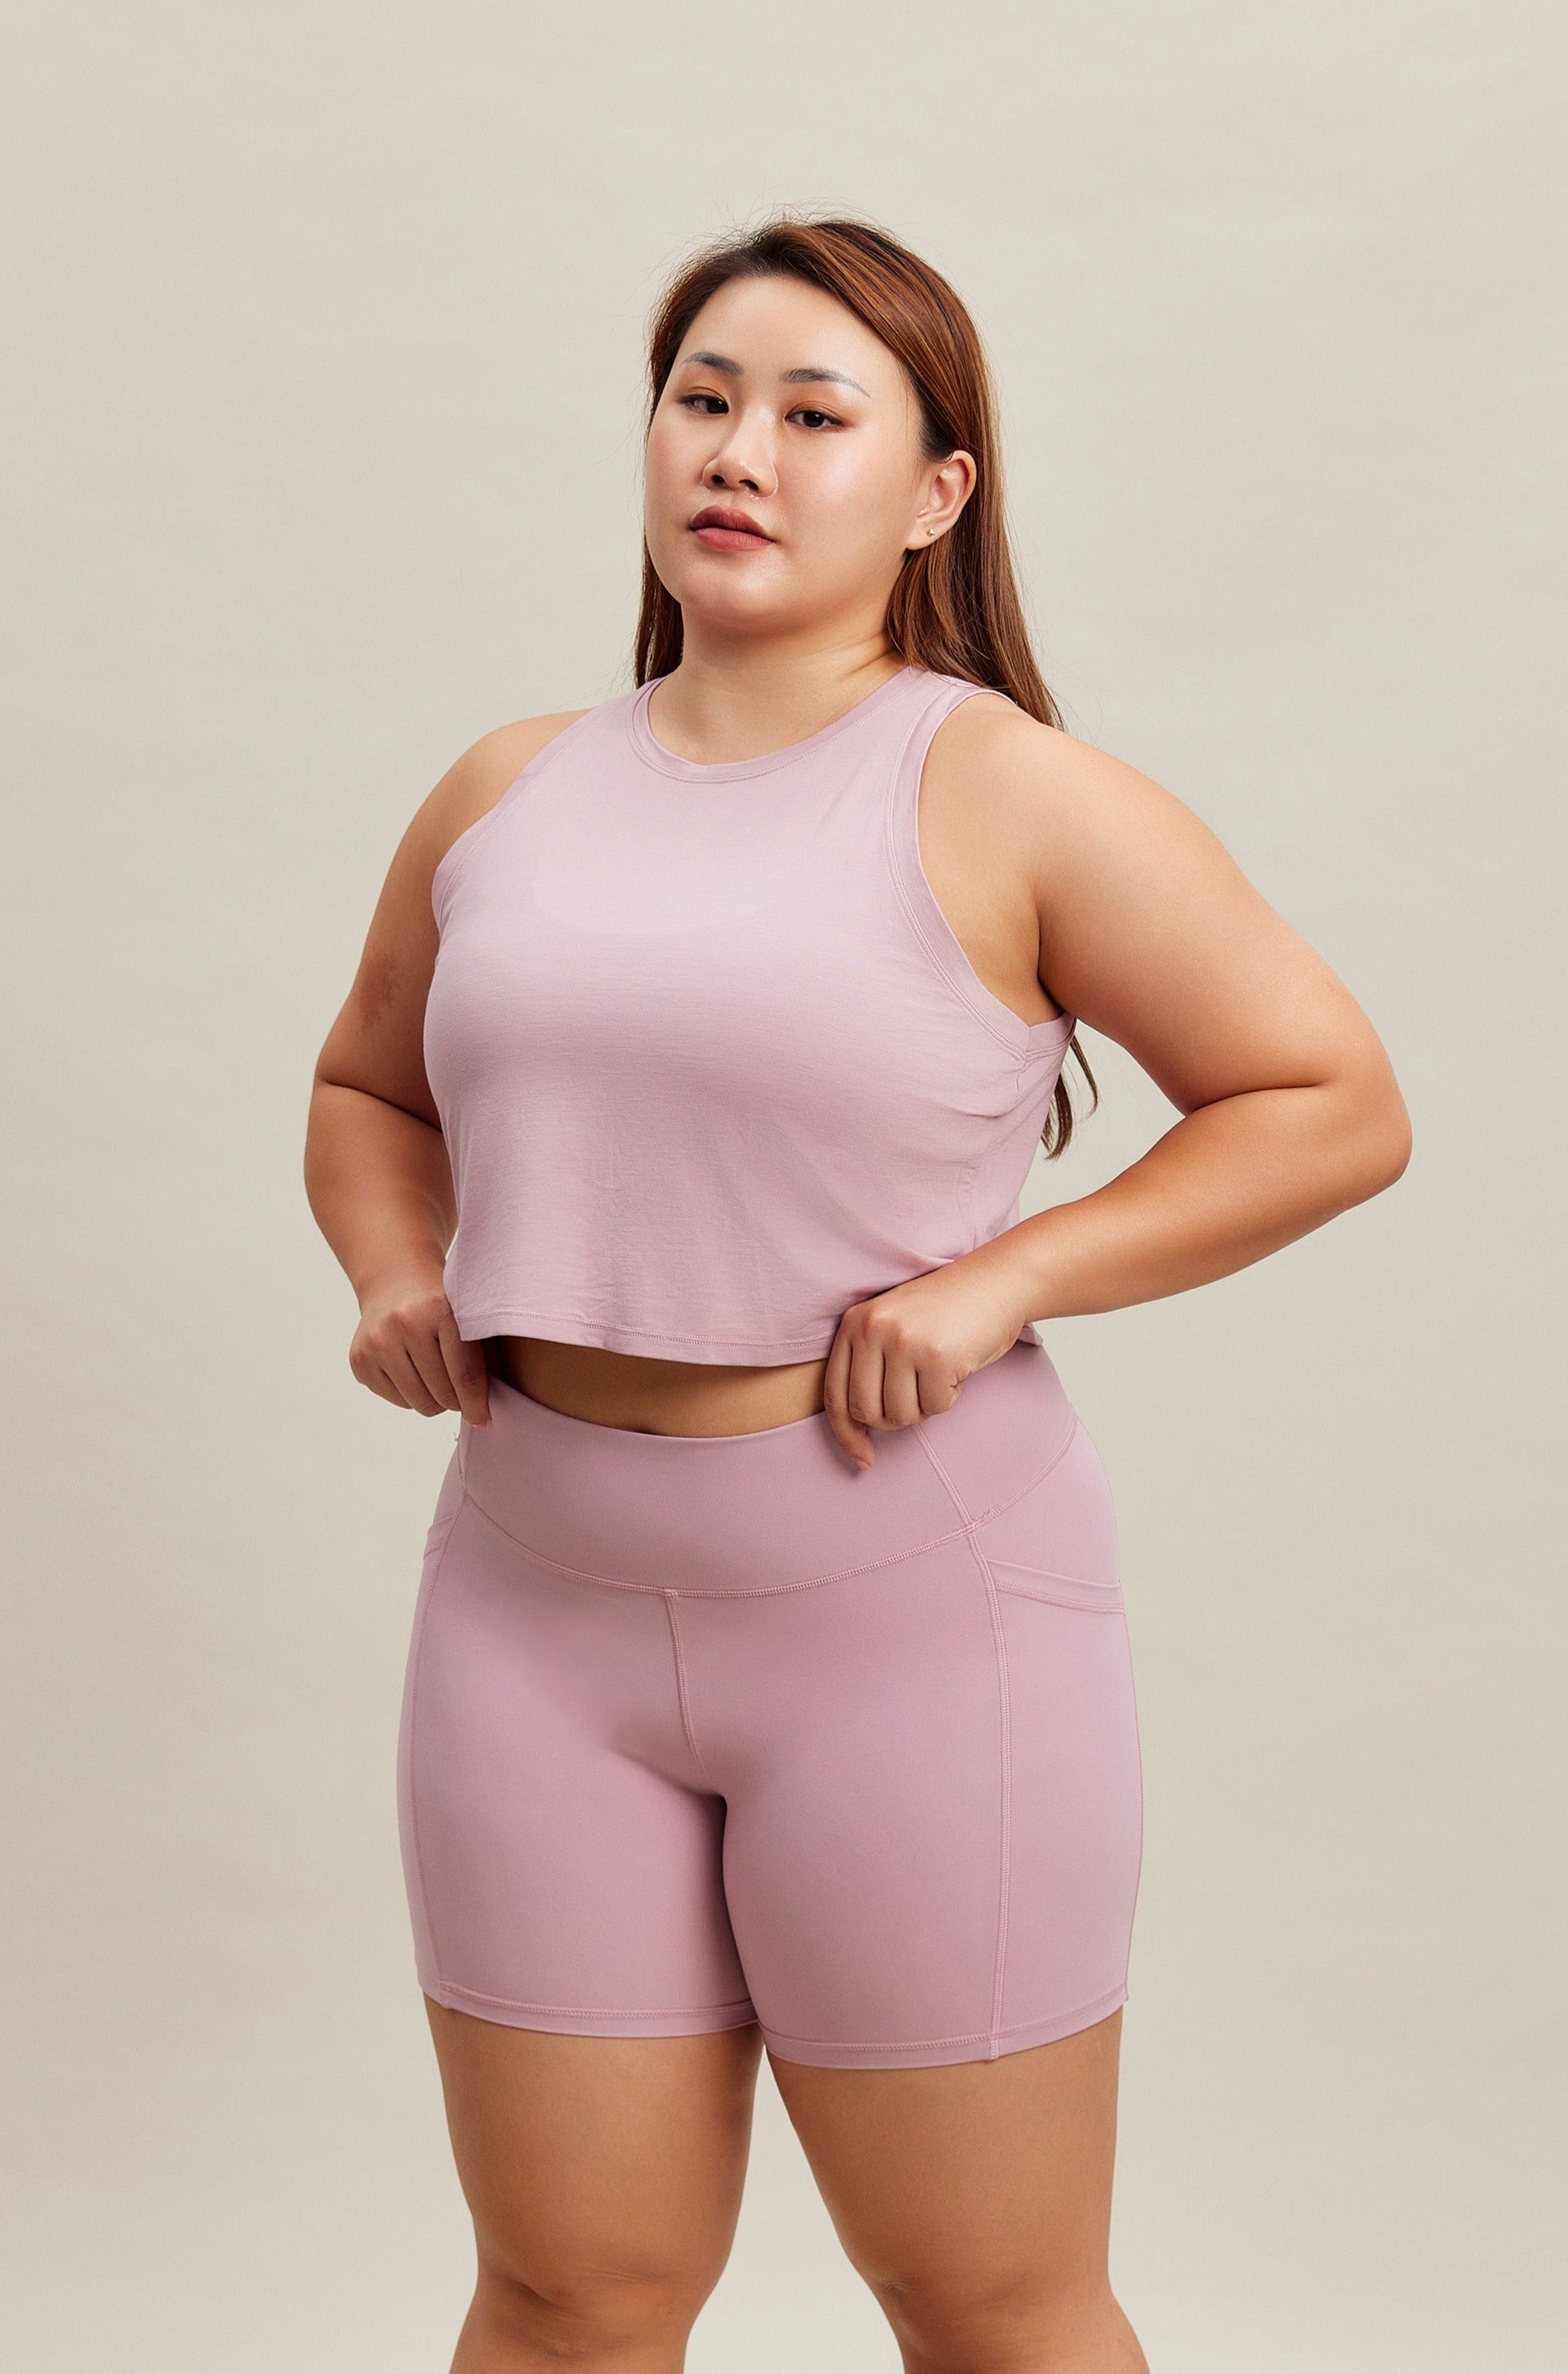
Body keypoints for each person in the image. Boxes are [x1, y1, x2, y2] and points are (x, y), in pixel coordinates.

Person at [303, 213, 1411, 2374]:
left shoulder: (1003, 789)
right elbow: (367, 1084)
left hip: (913, 1614)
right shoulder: (508, 791)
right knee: (566, 2296)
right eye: (702, 398)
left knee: (990, 2303)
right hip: (530, 1611)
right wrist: (391, 1265)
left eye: (815, 415)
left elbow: (1330, 1100)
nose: (739, 450)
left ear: (933, 495)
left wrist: (1012, 1274)